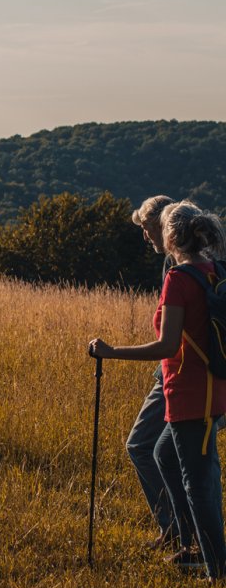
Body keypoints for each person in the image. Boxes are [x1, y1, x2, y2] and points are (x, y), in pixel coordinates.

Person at [89, 200, 226, 584]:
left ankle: (216, 569)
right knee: (163, 453)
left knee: (197, 484)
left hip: (190, 393)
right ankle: (192, 546)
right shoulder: (213, 270)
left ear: (170, 236)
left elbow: (167, 346)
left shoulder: (179, 278)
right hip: (212, 388)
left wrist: (112, 352)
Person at [127, 196, 176, 549]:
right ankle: (182, 532)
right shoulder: (196, 259)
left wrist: (113, 352)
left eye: (146, 229)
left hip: (177, 374)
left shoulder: (178, 265)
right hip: (185, 373)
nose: (146, 238)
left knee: (142, 445)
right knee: (175, 455)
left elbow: (170, 341)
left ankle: (175, 530)